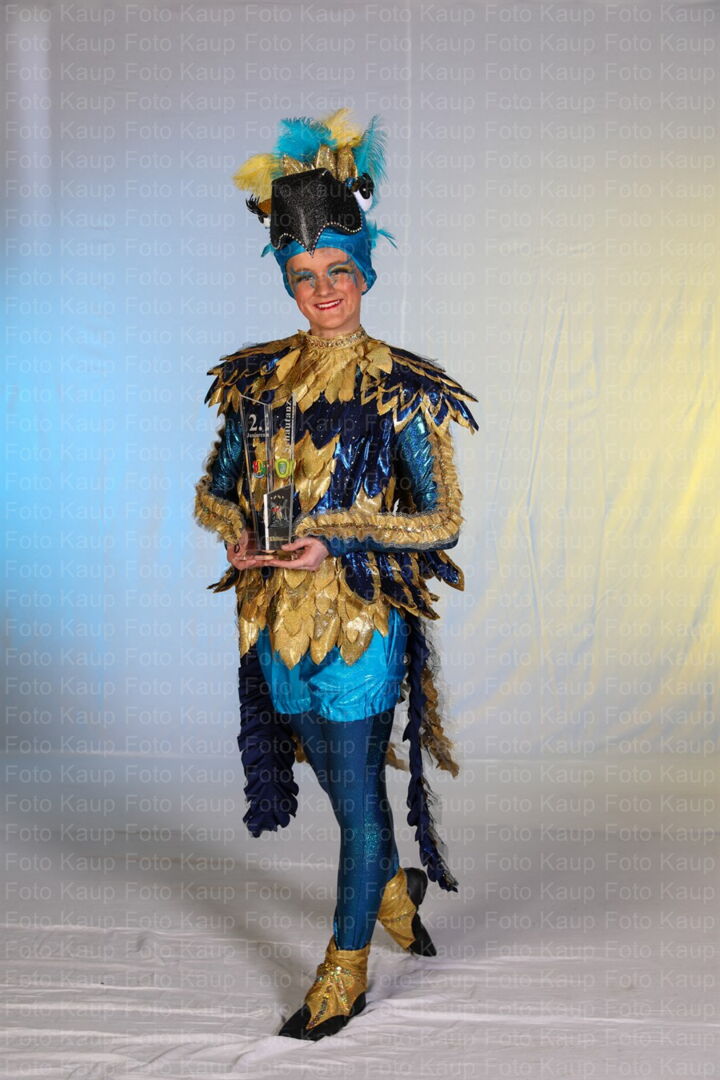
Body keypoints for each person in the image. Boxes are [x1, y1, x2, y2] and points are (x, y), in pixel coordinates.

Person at [193, 109, 478, 1041]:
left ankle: (343, 970)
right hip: (277, 624)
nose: (322, 290)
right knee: (335, 782)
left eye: (338, 272)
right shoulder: (254, 380)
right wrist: (240, 536)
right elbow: (215, 490)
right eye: (304, 276)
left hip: (359, 624)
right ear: (288, 279)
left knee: (357, 797)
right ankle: (391, 887)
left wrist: (338, 542)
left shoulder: (403, 389)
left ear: (365, 272)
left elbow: (440, 520)